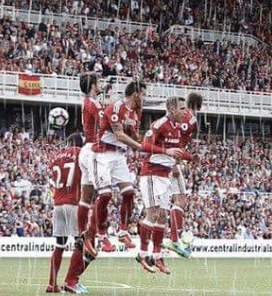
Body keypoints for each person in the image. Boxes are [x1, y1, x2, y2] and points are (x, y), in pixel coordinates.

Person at [84, 80, 146, 260]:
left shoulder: (136, 113)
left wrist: (140, 140)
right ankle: (102, 236)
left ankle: (123, 231)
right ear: (135, 94)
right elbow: (119, 134)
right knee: (105, 195)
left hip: (119, 155)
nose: (145, 98)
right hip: (101, 154)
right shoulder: (116, 108)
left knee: (129, 192)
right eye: (143, 94)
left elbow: (133, 135)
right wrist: (141, 147)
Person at [135, 97, 189, 274]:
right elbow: (144, 146)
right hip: (151, 174)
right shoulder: (160, 125)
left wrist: (178, 162)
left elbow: (175, 152)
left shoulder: (178, 129)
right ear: (172, 110)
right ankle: (142, 253)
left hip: (165, 175)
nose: (185, 112)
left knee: (163, 216)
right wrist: (167, 151)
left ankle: (157, 256)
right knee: (153, 214)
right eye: (182, 108)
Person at [48, 134, 88, 294]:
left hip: (58, 204)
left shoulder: (56, 156)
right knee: (82, 243)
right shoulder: (82, 154)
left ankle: (52, 284)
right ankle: (71, 281)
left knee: (59, 245)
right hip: (74, 203)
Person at [165, 92, 203, 259]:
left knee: (172, 201)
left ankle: (174, 238)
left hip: (162, 157)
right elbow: (176, 140)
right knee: (180, 199)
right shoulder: (191, 120)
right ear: (199, 107)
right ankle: (174, 239)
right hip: (169, 160)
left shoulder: (177, 114)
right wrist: (175, 163)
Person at [77, 74, 105, 259]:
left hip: (85, 150)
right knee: (105, 192)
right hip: (93, 150)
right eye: (99, 82)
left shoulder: (85, 102)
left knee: (86, 197)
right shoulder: (94, 103)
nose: (101, 85)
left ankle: (83, 236)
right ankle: (101, 234)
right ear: (93, 85)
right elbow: (106, 124)